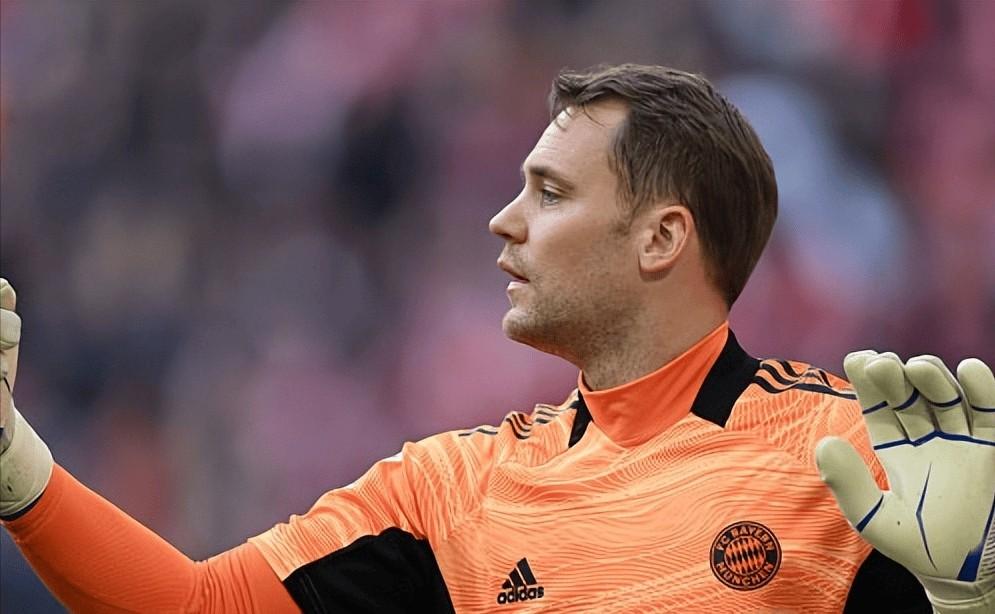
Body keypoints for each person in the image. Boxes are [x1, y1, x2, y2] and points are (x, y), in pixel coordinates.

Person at [1, 64, 992, 613]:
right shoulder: (444, 492)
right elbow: (198, 609)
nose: (503, 221)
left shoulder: (852, 454)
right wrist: (15, 463)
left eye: (548, 193)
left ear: (660, 238)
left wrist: (963, 601)